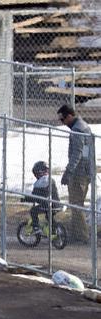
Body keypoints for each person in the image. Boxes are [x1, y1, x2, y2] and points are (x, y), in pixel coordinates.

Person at [56, 104, 95, 244]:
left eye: (63, 119)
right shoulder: (83, 126)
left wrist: (68, 172)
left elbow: (77, 154)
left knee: (77, 205)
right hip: (84, 171)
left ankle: (83, 236)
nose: (62, 123)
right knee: (75, 205)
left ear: (70, 116)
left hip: (79, 174)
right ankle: (76, 234)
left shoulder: (78, 129)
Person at [22, 161, 60, 235]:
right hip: (57, 204)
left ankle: (36, 228)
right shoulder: (50, 180)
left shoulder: (40, 182)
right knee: (48, 216)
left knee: (33, 211)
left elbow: (35, 196)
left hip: (47, 205)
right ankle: (54, 229)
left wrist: (25, 199)